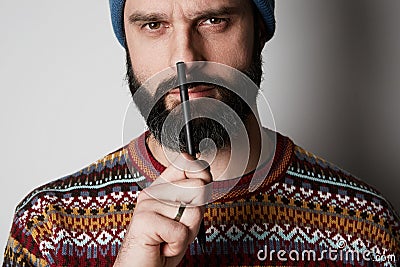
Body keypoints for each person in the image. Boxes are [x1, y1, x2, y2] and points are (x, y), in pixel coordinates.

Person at [3, 0, 400, 266]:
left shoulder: (363, 225)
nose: (185, 56)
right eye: (153, 25)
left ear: (259, 29)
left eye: (213, 20)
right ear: (127, 40)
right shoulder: (50, 227)